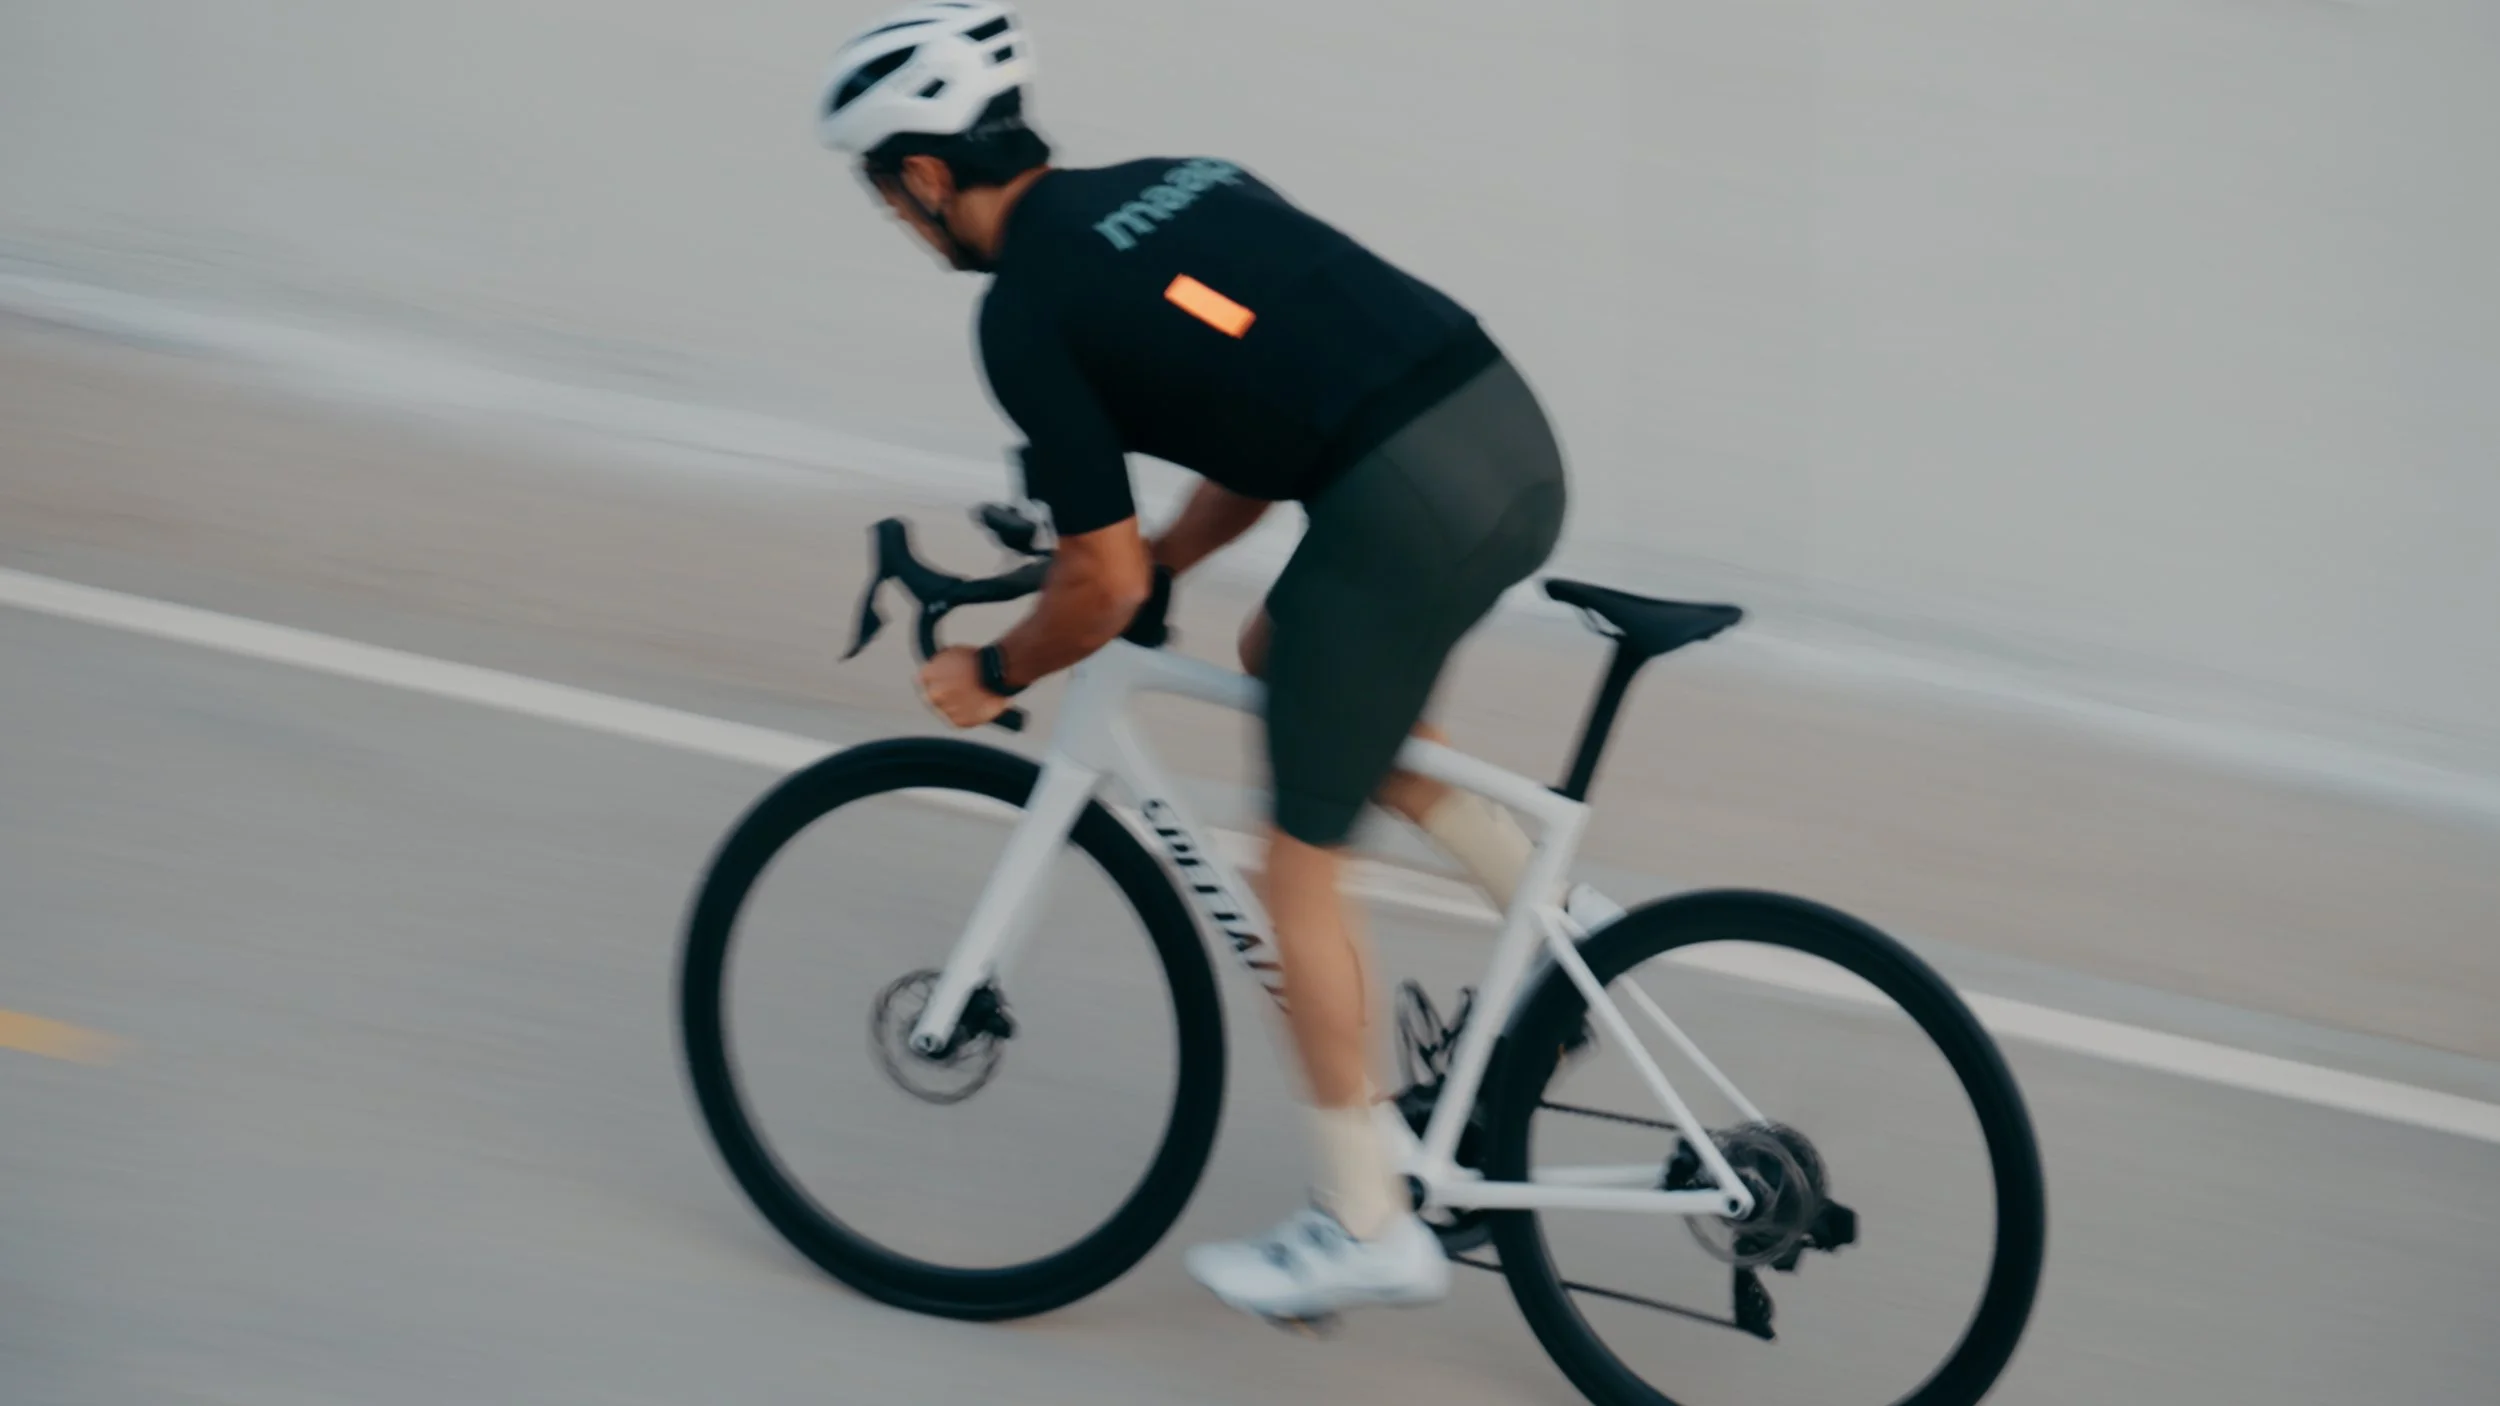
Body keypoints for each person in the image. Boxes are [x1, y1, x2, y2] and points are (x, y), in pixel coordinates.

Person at [816, 1, 1593, 1322]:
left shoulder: (1025, 311)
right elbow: (1260, 414)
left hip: (1407, 502)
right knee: (1287, 657)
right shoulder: (1179, 182)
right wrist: (1170, 561)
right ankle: (1569, 933)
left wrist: (994, 668)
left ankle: (1364, 1221)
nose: (895, 219)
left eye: (887, 195)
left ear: (928, 177)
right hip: (1508, 440)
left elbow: (1094, 582)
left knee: (1295, 861)